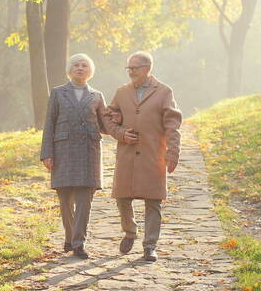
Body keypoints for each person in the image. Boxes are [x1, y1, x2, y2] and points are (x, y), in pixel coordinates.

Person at [103, 51, 182, 261]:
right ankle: (130, 232)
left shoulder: (164, 92)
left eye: (134, 68)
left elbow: (173, 125)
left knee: (153, 201)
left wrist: (173, 153)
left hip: (153, 154)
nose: (130, 72)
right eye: (128, 68)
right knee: (122, 198)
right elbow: (107, 117)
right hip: (127, 155)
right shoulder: (121, 92)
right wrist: (120, 133)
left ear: (147, 68)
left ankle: (150, 246)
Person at [40, 53, 108, 259]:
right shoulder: (58, 93)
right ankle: (70, 238)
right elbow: (49, 124)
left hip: (89, 152)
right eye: (76, 65)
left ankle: (79, 243)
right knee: (65, 201)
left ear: (90, 71)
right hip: (63, 153)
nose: (80, 68)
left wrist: (124, 121)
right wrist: (47, 154)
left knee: (84, 200)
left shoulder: (97, 96)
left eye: (84, 65)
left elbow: (106, 125)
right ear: (70, 69)